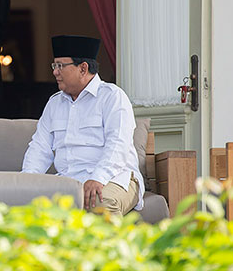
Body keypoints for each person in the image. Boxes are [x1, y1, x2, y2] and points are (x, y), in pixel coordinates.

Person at [22, 35, 144, 216]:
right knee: (31, 207)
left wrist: (98, 178)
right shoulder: (54, 103)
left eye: (60, 66)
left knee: (99, 202)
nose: (55, 72)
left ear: (83, 68)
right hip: (69, 181)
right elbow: (39, 148)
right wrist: (26, 182)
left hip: (115, 177)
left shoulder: (112, 96)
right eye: (54, 66)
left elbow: (118, 145)